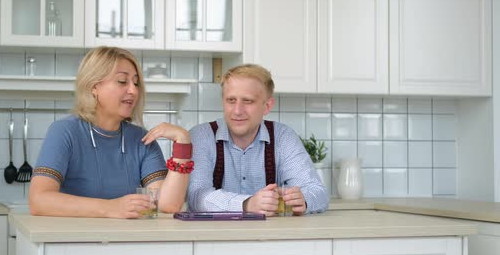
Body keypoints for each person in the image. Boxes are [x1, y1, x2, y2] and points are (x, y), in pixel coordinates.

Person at [29, 46, 194, 218]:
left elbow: (168, 205)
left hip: (127, 241)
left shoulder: (142, 140)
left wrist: (183, 142)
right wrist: (110, 208)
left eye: (136, 83)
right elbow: (39, 200)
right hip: (75, 241)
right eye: (122, 81)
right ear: (94, 86)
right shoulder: (64, 132)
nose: (134, 90)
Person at [188, 64, 328, 216]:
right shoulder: (201, 136)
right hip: (212, 236)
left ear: (267, 106)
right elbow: (197, 196)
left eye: (248, 101)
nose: (237, 111)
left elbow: (318, 191)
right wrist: (247, 204)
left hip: (270, 236)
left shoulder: (283, 137)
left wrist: (303, 200)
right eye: (231, 100)